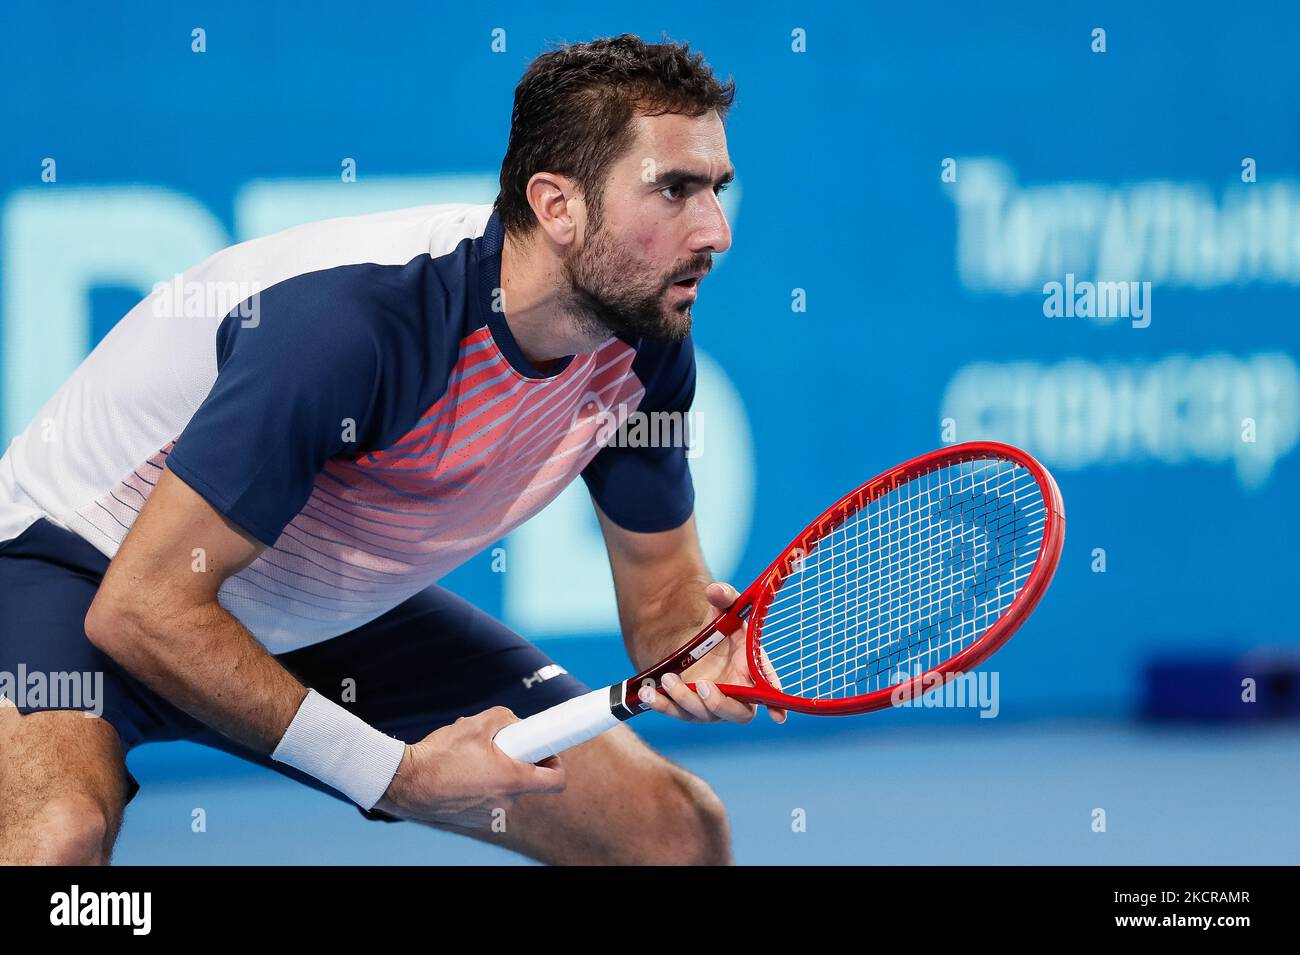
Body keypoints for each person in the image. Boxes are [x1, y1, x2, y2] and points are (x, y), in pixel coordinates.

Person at [0, 33, 781, 866]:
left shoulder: (643, 342)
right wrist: (396, 773)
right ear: (557, 205)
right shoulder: (352, 327)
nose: (717, 231)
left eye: (717, 189)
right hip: (79, 572)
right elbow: (140, 609)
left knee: (674, 836)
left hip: (316, 605)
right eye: (674, 190)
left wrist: (704, 649)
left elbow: (664, 598)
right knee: (54, 844)